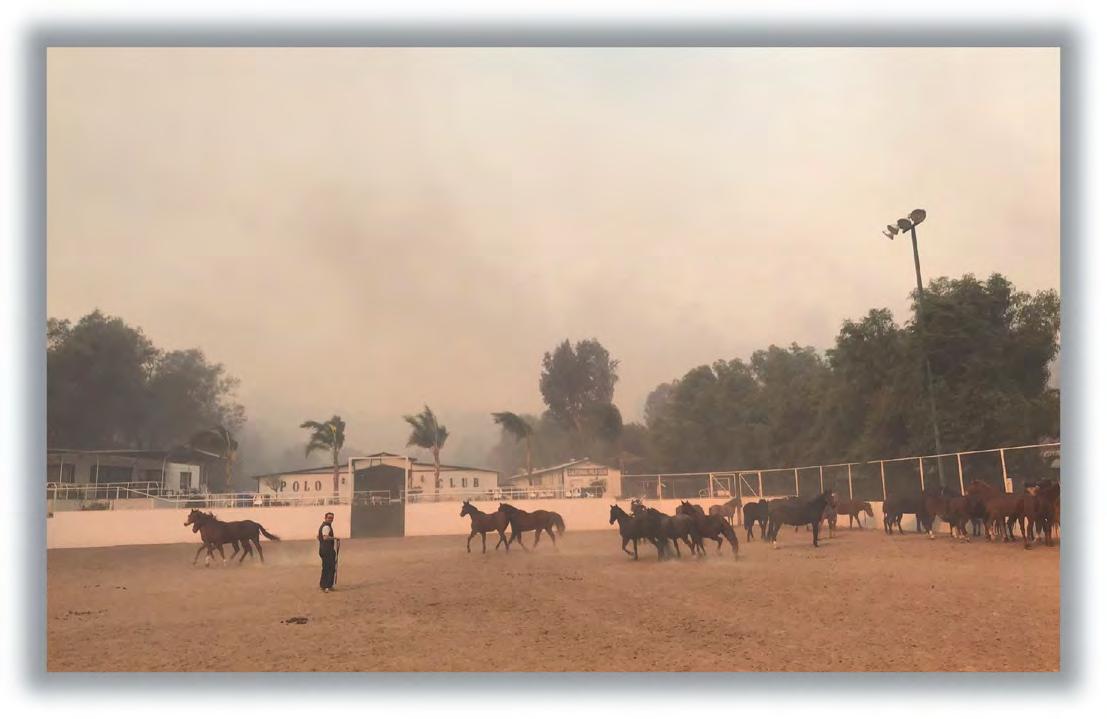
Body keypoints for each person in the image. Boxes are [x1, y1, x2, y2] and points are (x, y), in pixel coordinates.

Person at [318, 511, 339, 592]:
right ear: (325, 518)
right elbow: (325, 537)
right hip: (327, 550)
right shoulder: (326, 527)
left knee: (326, 567)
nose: (331, 519)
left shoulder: (323, 526)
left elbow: (318, 536)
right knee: (330, 568)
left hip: (323, 549)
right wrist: (335, 538)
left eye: (332, 518)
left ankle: (323, 585)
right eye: (329, 518)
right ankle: (327, 586)